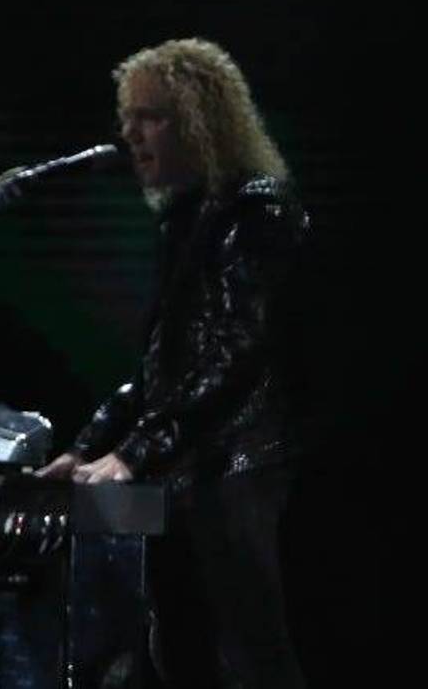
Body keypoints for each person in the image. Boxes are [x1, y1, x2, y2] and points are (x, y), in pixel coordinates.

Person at [36, 38, 309, 688]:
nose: (128, 133)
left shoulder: (255, 211)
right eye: (126, 116)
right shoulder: (186, 221)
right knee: (173, 654)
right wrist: (87, 448)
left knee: (252, 658)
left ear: (198, 119)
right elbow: (161, 370)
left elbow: (232, 352)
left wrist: (132, 453)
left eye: (149, 115)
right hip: (184, 471)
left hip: (236, 470)